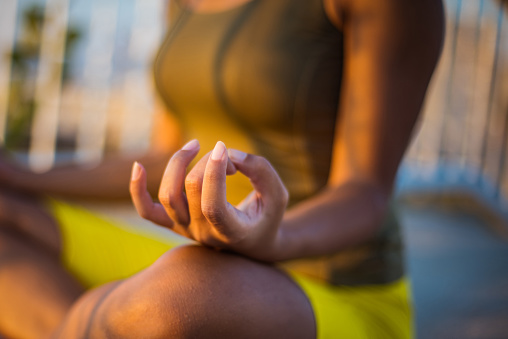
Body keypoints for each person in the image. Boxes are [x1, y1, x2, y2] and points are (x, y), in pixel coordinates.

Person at [0, 0, 444, 337]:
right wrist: (24, 177)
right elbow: (168, 153)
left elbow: (365, 189)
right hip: (216, 260)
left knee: (174, 299)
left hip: (330, 285)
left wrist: (271, 236)